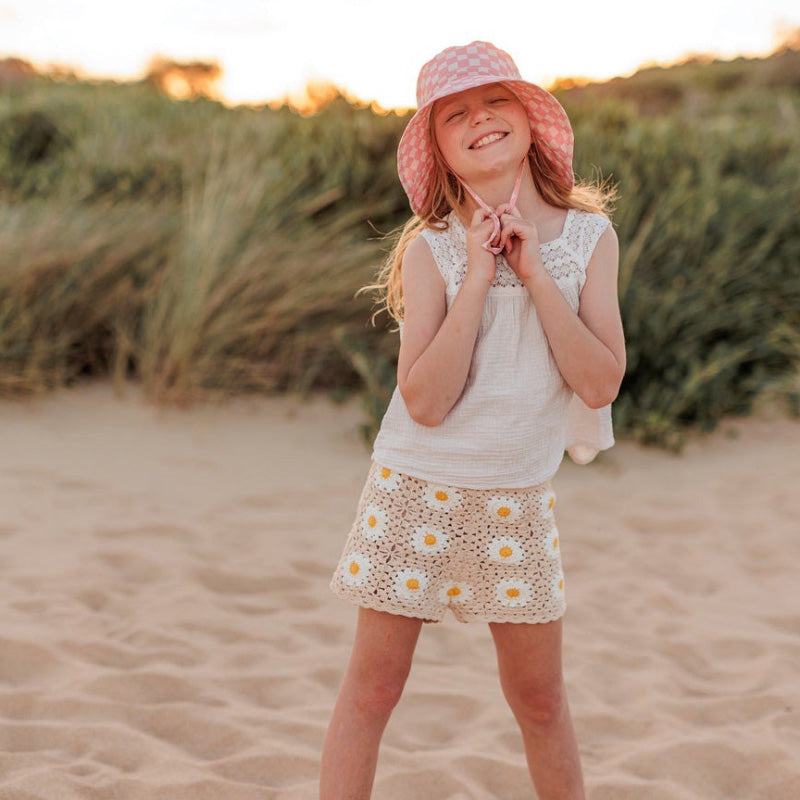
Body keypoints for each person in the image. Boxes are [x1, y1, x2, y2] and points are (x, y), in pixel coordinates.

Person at [321, 41, 625, 800]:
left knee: (541, 702)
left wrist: (533, 274)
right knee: (372, 692)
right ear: (438, 150)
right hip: (413, 491)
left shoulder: (589, 239)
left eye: (495, 100)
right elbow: (425, 402)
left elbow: (598, 384)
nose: (479, 118)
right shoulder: (431, 252)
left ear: (528, 117)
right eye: (454, 114)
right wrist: (480, 277)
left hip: (516, 501)